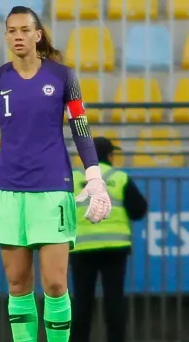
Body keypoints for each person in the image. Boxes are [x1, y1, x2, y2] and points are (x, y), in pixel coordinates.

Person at [0, 6, 112, 342]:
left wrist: (95, 177)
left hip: (52, 190)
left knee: (56, 284)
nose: (17, 36)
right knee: (17, 283)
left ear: (37, 34)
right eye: (11, 30)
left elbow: (81, 127)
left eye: (23, 30)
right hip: (7, 191)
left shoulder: (63, 77)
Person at [70, 137, 148, 342]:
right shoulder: (119, 177)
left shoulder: (72, 178)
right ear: (110, 156)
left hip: (81, 248)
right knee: (114, 300)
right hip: (115, 248)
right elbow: (139, 209)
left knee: (81, 302)